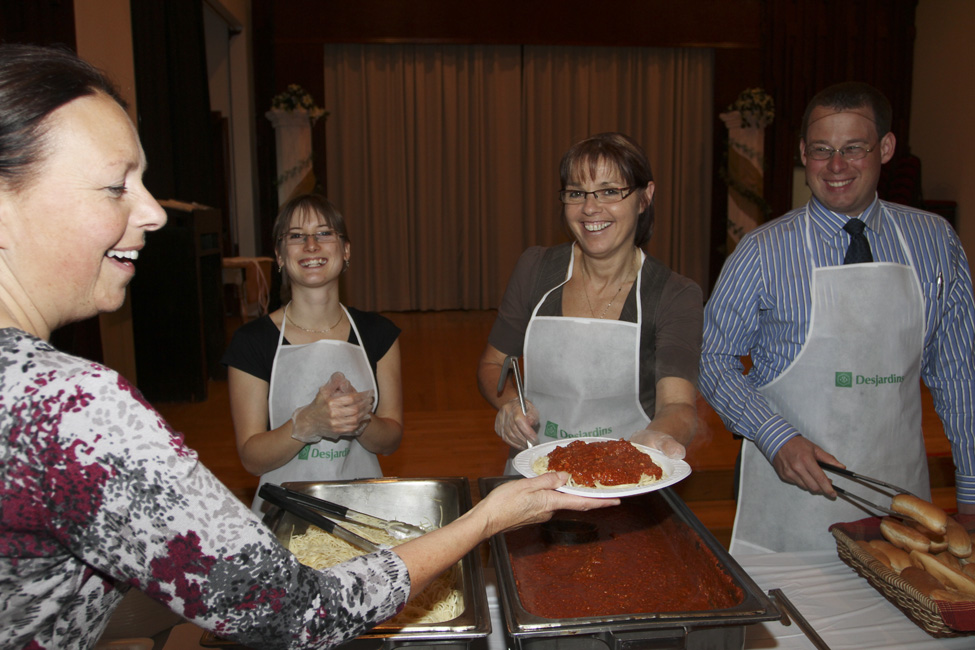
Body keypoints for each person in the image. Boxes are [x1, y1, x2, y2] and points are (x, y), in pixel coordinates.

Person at [0, 44, 618, 649]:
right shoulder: (70, 409)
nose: (155, 212)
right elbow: (295, 612)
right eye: (116, 185)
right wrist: (487, 518)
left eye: (144, 180)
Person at [700, 81, 975, 555]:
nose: (837, 166)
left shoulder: (935, 242)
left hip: (900, 498)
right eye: (823, 150)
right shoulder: (762, 252)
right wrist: (776, 437)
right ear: (804, 153)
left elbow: (958, 373)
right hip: (789, 501)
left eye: (854, 149)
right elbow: (712, 359)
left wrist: (970, 491)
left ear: (885, 148)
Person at [477, 132, 703, 474]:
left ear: (645, 197)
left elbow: (678, 404)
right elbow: (493, 365)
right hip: (537, 473)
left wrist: (657, 437)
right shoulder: (536, 269)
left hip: (627, 477)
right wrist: (510, 404)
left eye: (610, 191)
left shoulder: (673, 294)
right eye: (576, 193)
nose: (590, 208)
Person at [222, 193, 403, 513]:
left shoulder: (379, 333)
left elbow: (390, 441)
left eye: (324, 233)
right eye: (295, 236)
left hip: (362, 512)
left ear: (345, 250)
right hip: (283, 514)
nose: (311, 245)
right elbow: (251, 458)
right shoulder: (251, 342)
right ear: (279, 256)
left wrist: (360, 419)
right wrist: (306, 424)